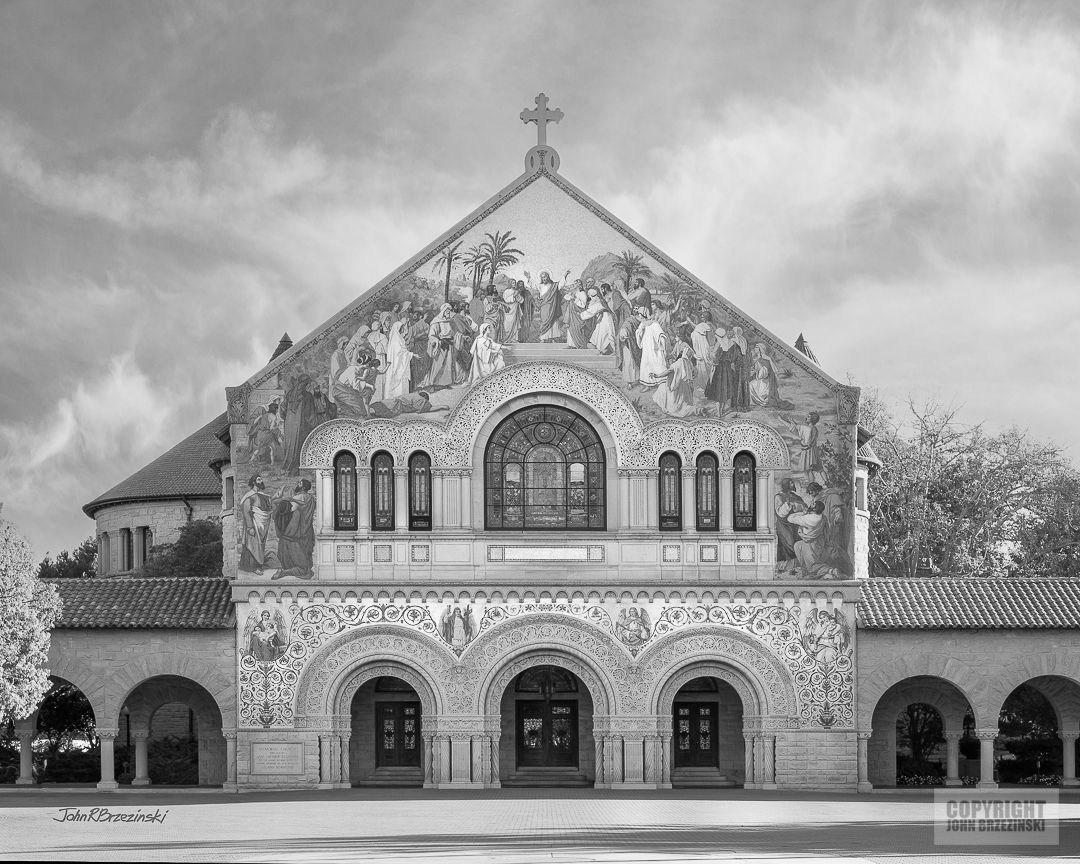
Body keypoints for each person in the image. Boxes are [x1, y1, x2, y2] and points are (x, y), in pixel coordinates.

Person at [272, 479, 316, 578]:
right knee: (305, 551)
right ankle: (299, 568)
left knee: (289, 549)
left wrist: (282, 501)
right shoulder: (311, 499)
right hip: (307, 530)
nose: (297, 484)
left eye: (299, 483)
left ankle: (286, 571)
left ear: (303, 487)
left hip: (295, 531)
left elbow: (287, 511)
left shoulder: (298, 497)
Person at [280, 373, 316, 474]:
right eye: (307, 383)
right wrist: (313, 424)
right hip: (301, 425)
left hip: (289, 425)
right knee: (299, 445)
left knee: (290, 445)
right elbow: (310, 413)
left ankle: (287, 467)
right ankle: (295, 469)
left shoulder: (290, 393)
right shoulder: (307, 396)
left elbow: (282, 409)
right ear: (305, 384)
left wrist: (287, 418)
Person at [650, 342, 698, 417]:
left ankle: (677, 407)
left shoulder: (680, 362)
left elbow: (669, 371)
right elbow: (694, 373)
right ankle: (693, 409)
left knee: (662, 388)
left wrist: (657, 376)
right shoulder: (689, 363)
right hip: (687, 388)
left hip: (678, 388)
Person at [238, 475, 271, 574]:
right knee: (252, 544)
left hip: (262, 525)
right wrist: (249, 527)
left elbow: (266, 507)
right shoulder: (249, 496)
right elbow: (246, 511)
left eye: (261, 479)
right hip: (253, 525)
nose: (261, 481)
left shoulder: (262, 495)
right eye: (258, 479)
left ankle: (258, 565)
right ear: (253, 482)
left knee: (259, 545)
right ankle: (252, 567)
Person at [773, 477, 806, 575]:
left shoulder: (795, 496)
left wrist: (798, 506)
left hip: (795, 524)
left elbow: (804, 506)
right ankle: (785, 567)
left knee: (797, 543)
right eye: (790, 483)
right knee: (788, 544)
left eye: (792, 482)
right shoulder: (778, 497)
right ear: (786, 485)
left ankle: (798, 566)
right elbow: (779, 512)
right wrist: (787, 505)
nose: (792, 484)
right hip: (784, 525)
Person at [781, 411, 823, 483]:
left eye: (808, 417)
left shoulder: (808, 428)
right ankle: (826, 482)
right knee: (819, 469)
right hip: (813, 450)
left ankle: (811, 484)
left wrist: (782, 420)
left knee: (809, 470)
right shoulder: (814, 428)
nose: (806, 417)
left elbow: (804, 437)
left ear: (812, 419)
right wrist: (794, 423)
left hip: (808, 451)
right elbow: (799, 429)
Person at [423, 304, 457, 388]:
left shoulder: (450, 321)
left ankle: (445, 383)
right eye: (447, 310)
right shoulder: (436, 321)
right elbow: (431, 335)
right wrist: (436, 341)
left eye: (449, 310)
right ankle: (434, 383)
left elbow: (453, 332)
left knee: (448, 364)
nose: (449, 312)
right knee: (439, 364)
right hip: (440, 345)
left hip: (449, 344)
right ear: (443, 311)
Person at [383, 319, 415, 400]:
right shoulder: (395, 340)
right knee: (398, 386)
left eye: (402, 328)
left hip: (401, 365)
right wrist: (411, 354)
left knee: (402, 385)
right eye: (401, 328)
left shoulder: (398, 339)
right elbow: (399, 354)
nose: (402, 330)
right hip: (397, 366)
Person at [531, 270, 565, 343]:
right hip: (544, 305)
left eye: (545, 277)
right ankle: (543, 337)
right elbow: (533, 285)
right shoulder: (540, 285)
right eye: (542, 277)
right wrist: (528, 278)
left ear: (548, 277)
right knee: (544, 321)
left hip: (552, 305)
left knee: (553, 320)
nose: (544, 279)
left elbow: (561, 285)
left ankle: (553, 337)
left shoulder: (554, 285)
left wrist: (565, 275)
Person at [636, 307, 668, 387]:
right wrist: (640, 331)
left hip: (654, 349)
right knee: (646, 365)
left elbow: (660, 334)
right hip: (646, 349)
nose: (639, 316)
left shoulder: (654, 324)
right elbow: (638, 333)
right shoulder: (642, 324)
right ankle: (648, 384)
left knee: (656, 364)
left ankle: (660, 382)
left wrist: (662, 343)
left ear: (643, 315)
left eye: (639, 314)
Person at [583, 286, 616, 354]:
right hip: (603, 318)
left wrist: (580, 315)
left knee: (606, 333)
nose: (592, 297)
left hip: (605, 318)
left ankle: (612, 350)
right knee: (599, 333)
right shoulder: (598, 300)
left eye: (593, 296)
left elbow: (590, 312)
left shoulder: (598, 302)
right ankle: (602, 349)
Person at [690, 312, 716, 393]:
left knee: (706, 365)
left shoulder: (706, 326)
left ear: (706, 318)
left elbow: (710, 339)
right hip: (707, 348)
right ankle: (705, 385)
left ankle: (706, 385)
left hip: (706, 348)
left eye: (703, 317)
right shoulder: (707, 325)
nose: (701, 318)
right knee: (705, 365)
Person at [616, 307, 642, 386]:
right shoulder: (629, 321)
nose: (641, 317)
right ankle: (629, 382)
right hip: (628, 345)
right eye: (639, 315)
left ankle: (637, 379)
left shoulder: (639, 321)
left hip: (636, 344)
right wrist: (624, 334)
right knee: (629, 363)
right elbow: (624, 329)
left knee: (635, 363)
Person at [565, 280, 590, 348]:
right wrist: (571, 296)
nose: (574, 285)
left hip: (578, 314)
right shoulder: (574, 292)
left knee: (577, 328)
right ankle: (571, 344)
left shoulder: (582, 293)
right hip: (572, 313)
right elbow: (566, 297)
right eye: (574, 284)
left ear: (579, 285)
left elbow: (583, 305)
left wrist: (575, 299)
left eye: (575, 284)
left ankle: (579, 344)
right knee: (570, 328)